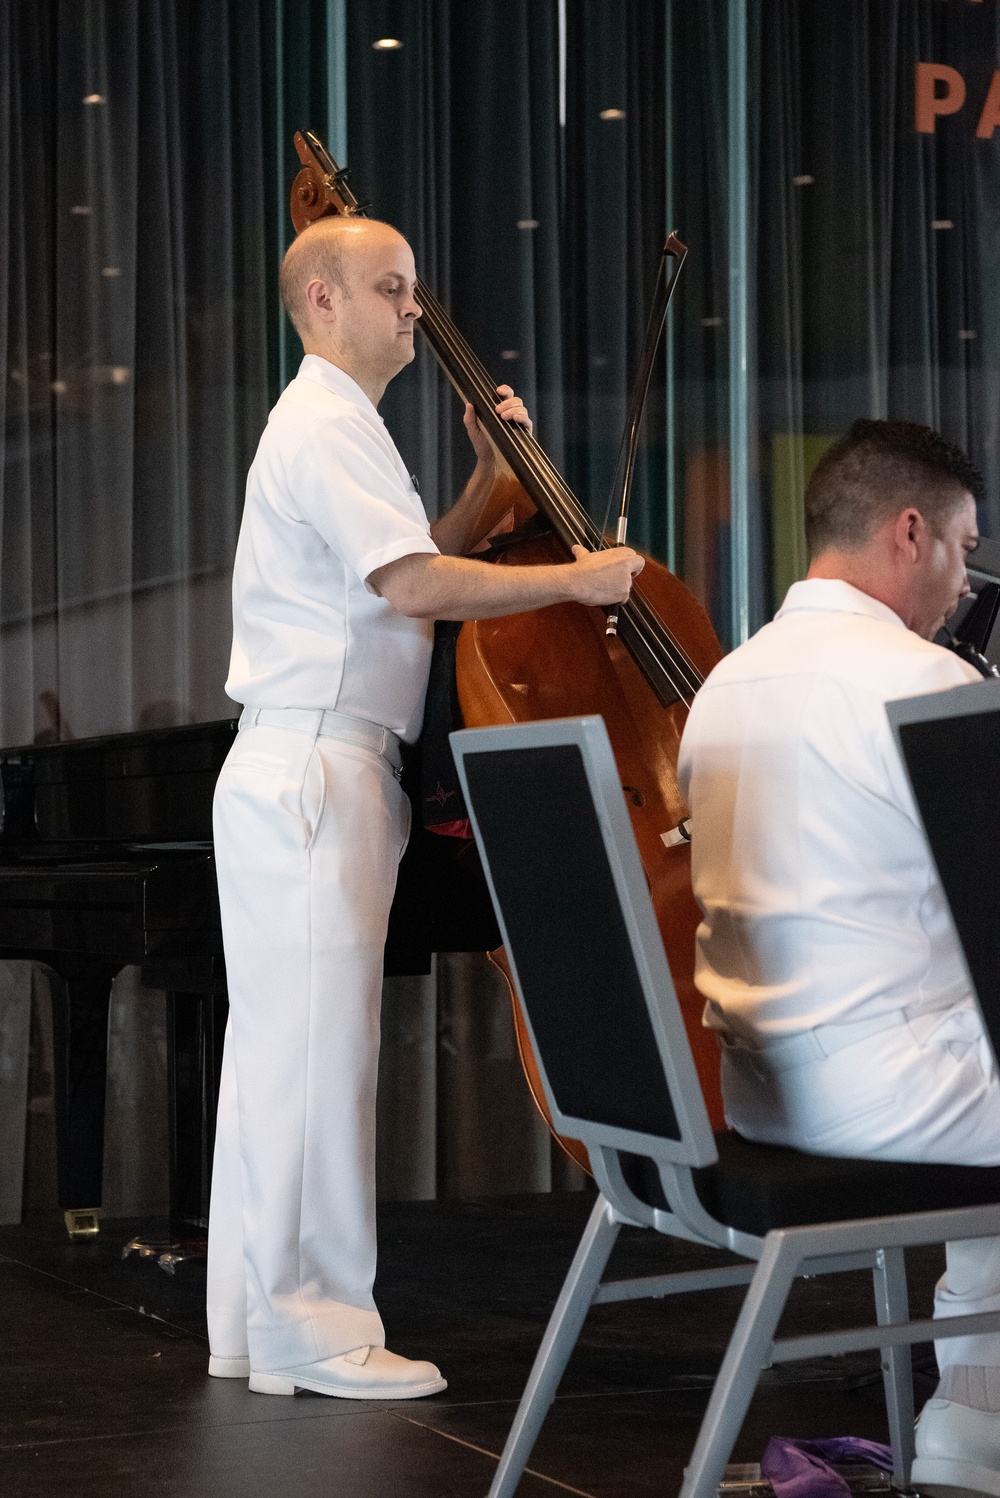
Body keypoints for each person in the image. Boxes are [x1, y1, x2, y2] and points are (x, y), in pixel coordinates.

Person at [206, 215, 643, 1401]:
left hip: (309, 757)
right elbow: (413, 584)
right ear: (321, 304)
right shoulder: (326, 422)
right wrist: (578, 577)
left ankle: (256, 1325)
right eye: (390, 288)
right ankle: (318, 1325)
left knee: (277, 1057)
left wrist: (490, 487)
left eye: (411, 287)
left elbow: (404, 576)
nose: (415, 308)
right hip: (315, 762)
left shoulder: (338, 428)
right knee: (314, 1053)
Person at [677, 419, 1000, 1495]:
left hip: (764, 1100)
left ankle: (971, 1431)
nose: (965, 581)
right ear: (909, 532)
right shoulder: (923, 684)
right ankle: (969, 1425)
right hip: (887, 1099)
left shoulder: (723, 683)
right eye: (962, 546)